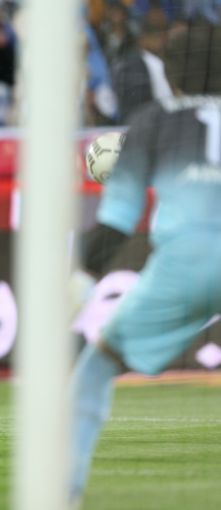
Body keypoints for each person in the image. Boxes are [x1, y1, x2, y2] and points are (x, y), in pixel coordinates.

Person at [70, 21, 221, 502]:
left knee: (98, 367)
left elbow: (117, 222)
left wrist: (80, 278)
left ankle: (62, 492)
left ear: (170, 75)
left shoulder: (153, 121)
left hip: (187, 262)